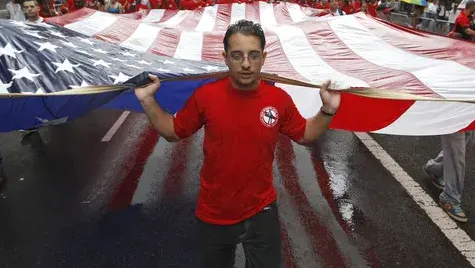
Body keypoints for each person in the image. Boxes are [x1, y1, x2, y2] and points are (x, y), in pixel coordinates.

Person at [134, 20, 341, 268]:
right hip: (214, 214)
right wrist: (147, 100)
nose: (245, 64)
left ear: (264, 57)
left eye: (253, 55)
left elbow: (305, 134)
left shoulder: (278, 99)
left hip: (261, 212)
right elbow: (173, 132)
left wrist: (327, 110)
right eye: (237, 55)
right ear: (225, 57)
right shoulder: (206, 96)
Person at [423, 14, 475, 223]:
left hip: (474, 112)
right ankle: (450, 197)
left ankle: (433, 169)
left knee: (466, 145)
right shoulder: (462, 49)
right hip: (453, 110)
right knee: (457, 155)